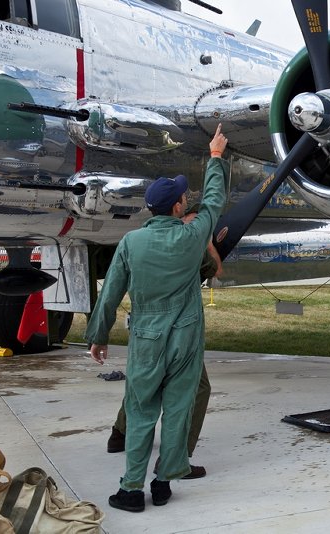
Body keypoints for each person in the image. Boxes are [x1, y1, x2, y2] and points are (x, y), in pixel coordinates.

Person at [86, 125, 228, 513]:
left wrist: (98, 337)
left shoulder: (131, 242)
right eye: (184, 195)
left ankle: (131, 489)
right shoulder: (194, 234)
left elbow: (111, 292)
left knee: (140, 409)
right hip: (184, 338)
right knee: (179, 407)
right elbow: (214, 200)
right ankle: (163, 481)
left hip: (146, 338)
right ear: (179, 207)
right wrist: (215, 157)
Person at [105, 206, 223, 479]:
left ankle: (120, 436)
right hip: (181, 333)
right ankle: (175, 460)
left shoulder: (138, 241)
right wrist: (204, 237)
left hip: (146, 332)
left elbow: (113, 289)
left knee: (142, 388)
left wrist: (99, 335)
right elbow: (216, 268)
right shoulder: (191, 245)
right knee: (196, 389)